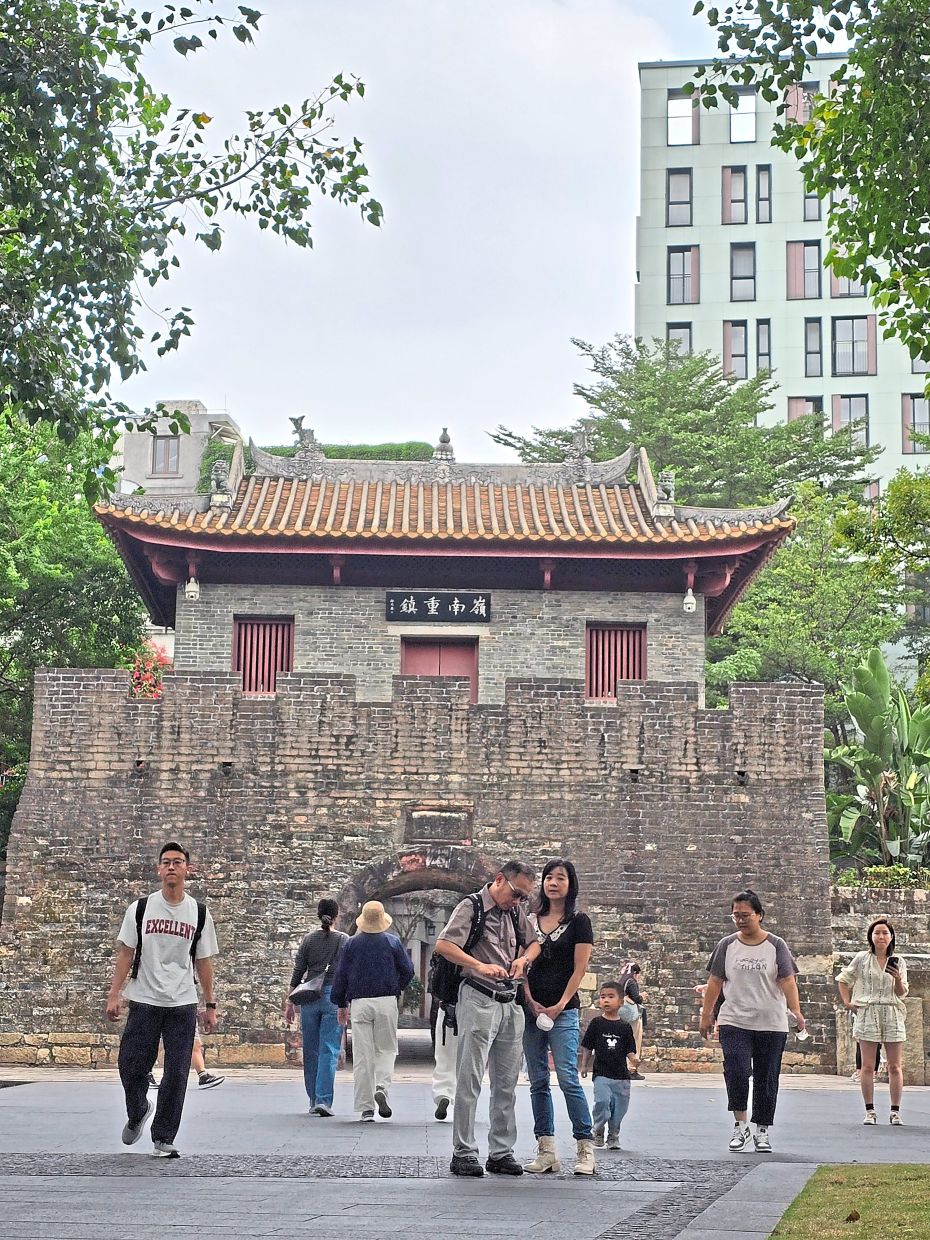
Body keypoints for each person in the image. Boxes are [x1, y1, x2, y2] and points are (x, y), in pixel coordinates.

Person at [106, 840, 219, 1159]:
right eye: (166, 861)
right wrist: (115, 994)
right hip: (143, 998)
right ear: (159, 869)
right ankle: (139, 1108)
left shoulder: (198, 913)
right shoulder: (141, 909)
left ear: (187, 869)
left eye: (178, 862)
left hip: (181, 1001)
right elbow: (126, 952)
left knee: (177, 1072)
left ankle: (164, 1135)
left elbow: (204, 961)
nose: (172, 866)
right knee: (130, 1064)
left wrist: (210, 1005)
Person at [435, 861, 542, 1178]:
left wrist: (524, 958)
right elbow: (444, 945)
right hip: (478, 996)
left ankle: (501, 1151)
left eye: (525, 898)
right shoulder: (471, 906)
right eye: (517, 894)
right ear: (500, 880)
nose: (520, 901)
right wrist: (478, 965)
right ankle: (464, 1151)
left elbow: (535, 942)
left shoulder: (514, 912)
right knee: (469, 1077)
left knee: (507, 1082)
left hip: (510, 1001)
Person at [699, 889, 805, 1155]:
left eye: (746, 915)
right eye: (736, 915)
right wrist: (706, 1014)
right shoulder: (726, 945)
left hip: (771, 1021)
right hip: (734, 1019)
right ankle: (740, 1124)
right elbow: (715, 982)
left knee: (766, 1077)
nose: (741, 920)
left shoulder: (776, 945)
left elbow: (788, 980)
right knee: (736, 1069)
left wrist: (796, 1012)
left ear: (759, 915)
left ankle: (762, 1130)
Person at [521, 858, 596, 1176]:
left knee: (567, 1077)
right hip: (530, 1009)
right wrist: (529, 998)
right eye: (548, 877)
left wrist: (561, 1003)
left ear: (570, 883)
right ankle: (547, 1149)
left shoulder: (579, 921)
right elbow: (521, 961)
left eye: (560, 878)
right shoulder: (530, 919)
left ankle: (585, 1148)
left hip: (564, 1011)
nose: (553, 882)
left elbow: (580, 968)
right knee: (537, 1081)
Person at [330, 900, 413, 1122]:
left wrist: (340, 1003)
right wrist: (397, 986)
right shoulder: (393, 942)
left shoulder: (351, 944)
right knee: (386, 1049)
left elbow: (341, 976)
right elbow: (408, 971)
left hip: (360, 1003)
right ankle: (381, 1087)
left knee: (362, 1055)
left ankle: (366, 1108)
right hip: (386, 1000)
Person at [836, 917, 908, 1125]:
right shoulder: (862, 958)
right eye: (877, 933)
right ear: (871, 936)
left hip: (892, 1012)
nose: (881, 937)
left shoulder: (899, 961)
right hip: (868, 1012)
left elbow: (902, 993)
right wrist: (848, 1003)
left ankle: (895, 1111)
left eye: (885, 933)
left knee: (895, 1066)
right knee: (867, 1066)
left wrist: (896, 978)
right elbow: (843, 979)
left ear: (891, 936)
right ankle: (870, 1110)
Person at [284, 898, 348, 1116]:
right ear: (337, 915)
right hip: (332, 995)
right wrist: (345, 1002)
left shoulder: (309, 940)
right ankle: (323, 1100)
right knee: (329, 1049)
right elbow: (346, 973)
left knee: (310, 1050)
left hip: (309, 995)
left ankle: (313, 1099)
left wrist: (289, 1001)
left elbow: (298, 971)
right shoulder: (343, 940)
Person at [581, 981, 639, 1149]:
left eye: (610, 997)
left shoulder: (625, 1027)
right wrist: (584, 1065)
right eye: (603, 997)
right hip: (601, 1073)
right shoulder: (596, 1023)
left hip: (621, 1075)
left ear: (621, 1002)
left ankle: (613, 1134)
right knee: (602, 1102)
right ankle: (598, 1129)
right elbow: (587, 1046)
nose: (605, 1000)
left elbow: (630, 1049)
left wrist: (634, 1060)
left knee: (619, 1107)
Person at [147, 1034, 224, 1090]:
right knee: (160, 1042)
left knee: (195, 1042)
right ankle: (147, 1073)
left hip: (185, 1013)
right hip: (165, 1013)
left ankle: (203, 1075)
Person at [430, 994, 455, 1120]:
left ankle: (443, 1094)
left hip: (447, 1011)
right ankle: (462, 1101)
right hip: (475, 1009)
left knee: (444, 1059)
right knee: (468, 1062)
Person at [619, 961, 647, 1079]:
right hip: (632, 1016)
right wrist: (642, 996)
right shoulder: (632, 982)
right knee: (635, 1040)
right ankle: (632, 1068)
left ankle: (624, 1067)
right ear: (636, 973)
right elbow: (636, 998)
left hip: (622, 1016)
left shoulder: (622, 981)